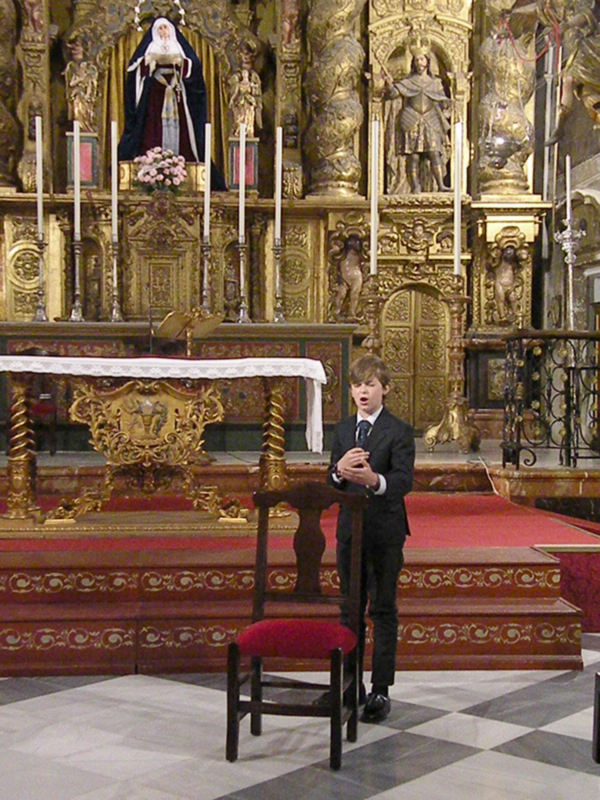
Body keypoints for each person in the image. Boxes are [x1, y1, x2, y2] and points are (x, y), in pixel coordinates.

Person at [328, 354, 415, 722]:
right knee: (350, 610)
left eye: (371, 385)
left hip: (384, 533)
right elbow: (331, 481)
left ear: (386, 389)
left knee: (382, 610)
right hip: (351, 533)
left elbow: (403, 481)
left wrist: (374, 481)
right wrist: (338, 472)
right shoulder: (344, 430)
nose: (363, 391)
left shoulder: (399, 431)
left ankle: (380, 689)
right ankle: (352, 683)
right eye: (357, 385)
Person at [118, 17, 226, 189]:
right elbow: (135, 71)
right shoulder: (150, 47)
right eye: (159, 29)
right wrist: (149, 63)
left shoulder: (179, 47)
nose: (163, 32)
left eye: (165, 29)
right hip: (154, 95)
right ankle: (151, 165)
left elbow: (194, 69)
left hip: (177, 93)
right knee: (152, 128)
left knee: (181, 128)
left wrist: (180, 63)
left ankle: (181, 166)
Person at [385, 52, 451, 193]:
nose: (418, 62)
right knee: (413, 156)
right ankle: (415, 186)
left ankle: (440, 185)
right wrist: (390, 84)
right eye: (416, 60)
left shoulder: (435, 83)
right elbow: (393, 94)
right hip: (411, 118)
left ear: (427, 62)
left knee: (434, 152)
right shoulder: (408, 82)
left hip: (430, 118)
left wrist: (447, 106)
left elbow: (442, 100)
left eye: (421, 59)